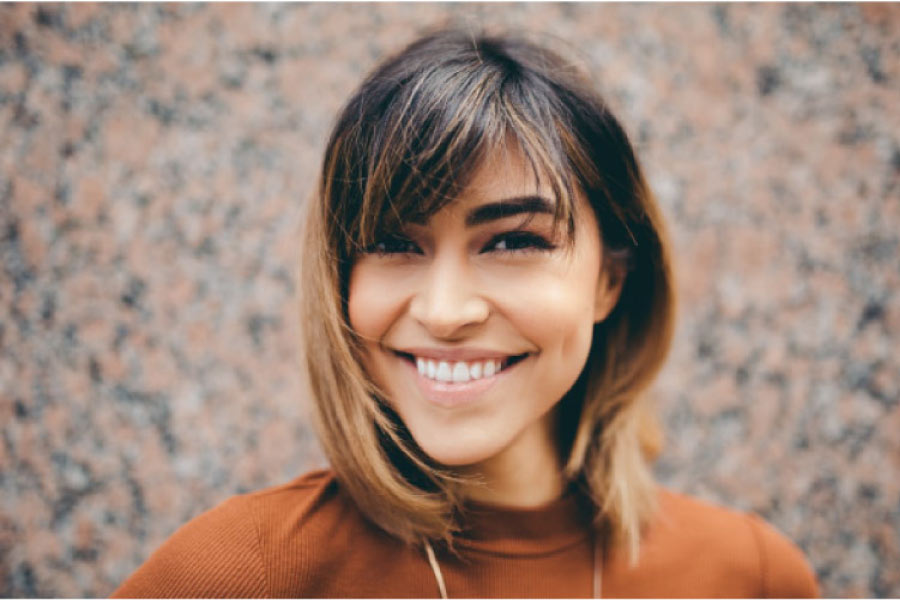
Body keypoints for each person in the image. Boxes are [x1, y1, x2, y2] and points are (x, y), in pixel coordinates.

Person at [112, 28, 818, 598]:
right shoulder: (242, 575)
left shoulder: (750, 577)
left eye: (513, 241)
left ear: (609, 280)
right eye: (393, 242)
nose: (446, 312)